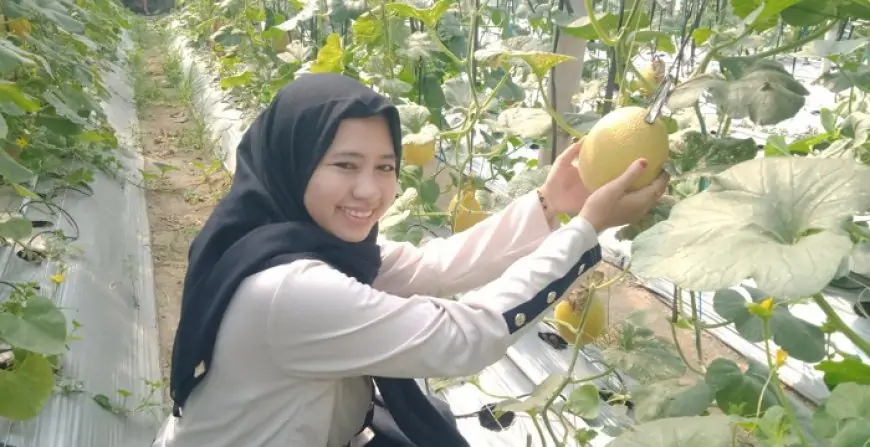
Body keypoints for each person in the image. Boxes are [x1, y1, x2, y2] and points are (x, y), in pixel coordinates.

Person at [151, 73, 668, 447]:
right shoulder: (291, 290)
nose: (369, 190)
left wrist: (550, 205)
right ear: (294, 160)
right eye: (344, 165)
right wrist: (584, 232)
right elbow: (464, 337)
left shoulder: (289, 238)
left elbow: (434, 266)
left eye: (385, 166)